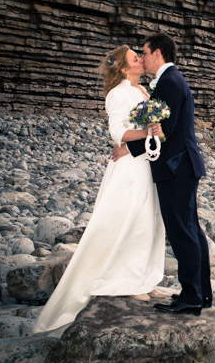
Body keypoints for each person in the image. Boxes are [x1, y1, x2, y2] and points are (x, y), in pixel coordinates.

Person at [33, 45, 167, 335]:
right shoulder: (118, 93)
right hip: (130, 168)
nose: (141, 60)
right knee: (130, 218)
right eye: (135, 58)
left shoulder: (143, 91)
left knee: (149, 220)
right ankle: (126, 280)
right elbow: (118, 132)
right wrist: (147, 131)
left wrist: (155, 129)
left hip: (145, 162)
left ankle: (145, 278)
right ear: (123, 68)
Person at [113, 32, 211, 316]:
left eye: (144, 52)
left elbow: (163, 131)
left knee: (182, 232)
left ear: (158, 53)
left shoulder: (168, 82)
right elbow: (162, 128)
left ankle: (192, 295)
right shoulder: (172, 79)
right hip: (183, 166)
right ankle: (201, 294)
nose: (142, 58)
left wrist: (128, 148)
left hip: (176, 167)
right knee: (191, 229)